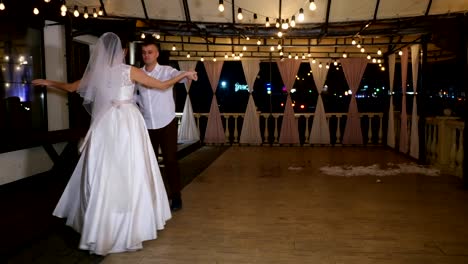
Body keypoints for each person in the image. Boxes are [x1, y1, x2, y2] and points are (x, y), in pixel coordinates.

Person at [32, 32, 197, 255]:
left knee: (106, 169)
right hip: (128, 122)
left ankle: (102, 222)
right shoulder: (131, 71)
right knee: (132, 167)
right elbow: (161, 85)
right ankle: (131, 222)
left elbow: (71, 87)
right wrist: (184, 75)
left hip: (106, 123)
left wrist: (48, 82)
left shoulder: (97, 73)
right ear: (122, 52)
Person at [136, 38, 185, 211]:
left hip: (167, 123)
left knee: (171, 161)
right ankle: (153, 198)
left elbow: (178, 77)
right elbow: (134, 96)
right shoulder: (137, 74)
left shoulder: (166, 71)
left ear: (156, 54)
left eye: (150, 52)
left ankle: (176, 197)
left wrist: (187, 73)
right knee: (149, 163)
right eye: (144, 52)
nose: (146, 55)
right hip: (146, 125)